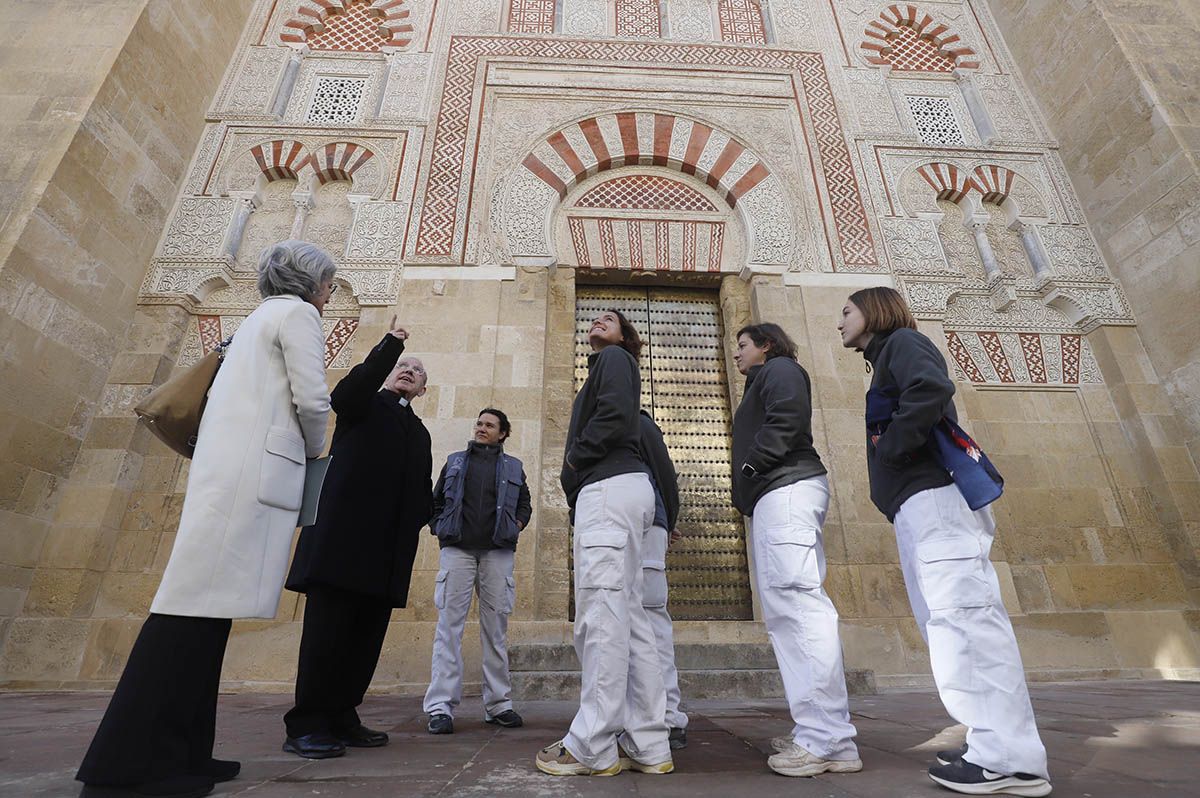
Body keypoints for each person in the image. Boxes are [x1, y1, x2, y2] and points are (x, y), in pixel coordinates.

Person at [76, 240, 335, 798]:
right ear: (313, 285)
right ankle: (134, 764)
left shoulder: (252, 321)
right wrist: (316, 451)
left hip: (228, 474)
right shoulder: (298, 315)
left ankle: (188, 751)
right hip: (251, 479)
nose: (330, 293)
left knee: (204, 613)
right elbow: (313, 401)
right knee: (189, 614)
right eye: (328, 284)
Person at [839, 287, 1051, 797]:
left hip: (935, 501)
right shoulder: (887, 355)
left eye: (846, 311)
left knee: (966, 622)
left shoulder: (903, 344)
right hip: (921, 507)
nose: (839, 321)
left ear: (873, 310)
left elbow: (931, 389)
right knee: (949, 625)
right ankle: (990, 743)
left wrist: (891, 448)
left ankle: (1011, 760)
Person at [282, 317, 434, 759]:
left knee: (365, 639)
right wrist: (391, 344)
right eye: (402, 367)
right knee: (327, 635)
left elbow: (420, 487)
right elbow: (345, 394)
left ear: (423, 391)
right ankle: (307, 723)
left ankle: (343, 716)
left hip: (386, 555)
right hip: (343, 544)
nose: (409, 371)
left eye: (418, 371)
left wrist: (420, 519)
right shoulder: (363, 404)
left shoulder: (419, 432)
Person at [535, 309, 672, 777]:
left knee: (602, 616)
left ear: (625, 337)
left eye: (610, 319)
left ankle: (591, 744)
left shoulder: (614, 360)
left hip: (608, 491)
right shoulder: (613, 366)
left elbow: (613, 417)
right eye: (594, 317)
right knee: (630, 617)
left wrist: (574, 461)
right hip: (626, 493)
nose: (598, 321)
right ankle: (649, 743)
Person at [731, 322, 862, 778]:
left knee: (798, 605)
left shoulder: (781, 368)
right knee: (790, 610)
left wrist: (751, 466)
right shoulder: (764, 377)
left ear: (766, 345)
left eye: (743, 345)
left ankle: (828, 739)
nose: (737, 354)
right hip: (778, 493)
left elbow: (786, 418)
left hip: (785, 488)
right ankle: (819, 731)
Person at [423, 408, 532, 734]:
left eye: (490, 425)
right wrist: (438, 526)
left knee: (495, 629)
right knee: (448, 628)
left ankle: (499, 704)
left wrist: (518, 524)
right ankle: (440, 707)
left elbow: (524, 503)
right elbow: (437, 499)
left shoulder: (515, 467)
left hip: (497, 553)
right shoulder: (456, 461)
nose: (482, 428)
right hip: (457, 551)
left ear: (503, 433)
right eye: (480, 423)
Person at [637, 409, 688, 750]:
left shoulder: (640, 423)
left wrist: (667, 520)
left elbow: (665, 475)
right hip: (615, 527)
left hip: (647, 525)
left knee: (652, 618)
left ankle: (668, 716)